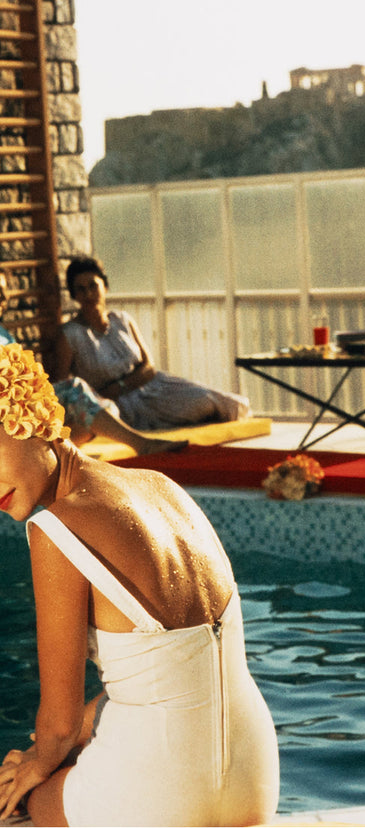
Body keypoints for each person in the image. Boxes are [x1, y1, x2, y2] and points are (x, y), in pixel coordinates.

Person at [0, 343, 279, 825]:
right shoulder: (162, 488)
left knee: (17, 799)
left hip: (158, 793)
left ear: (28, 418)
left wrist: (34, 765)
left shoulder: (55, 530)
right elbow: (168, 669)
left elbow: (59, 726)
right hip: (255, 778)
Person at [0, 270, 186, 456]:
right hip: (8, 409)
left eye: (3, 290)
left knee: (105, 412)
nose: (2, 297)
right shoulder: (71, 332)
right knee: (77, 392)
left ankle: (51, 454)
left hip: (23, 402)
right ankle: (142, 445)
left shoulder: (4, 333)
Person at [54, 256, 250, 431]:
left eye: (93, 286)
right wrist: (106, 395)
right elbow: (64, 388)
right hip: (112, 403)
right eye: (80, 289)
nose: (88, 294)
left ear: (104, 287)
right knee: (195, 409)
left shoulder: (122, 320)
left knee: (210, 400)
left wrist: (122, 385)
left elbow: (149, 368)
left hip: (153, 387)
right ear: (73, 295)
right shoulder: (70, 334)